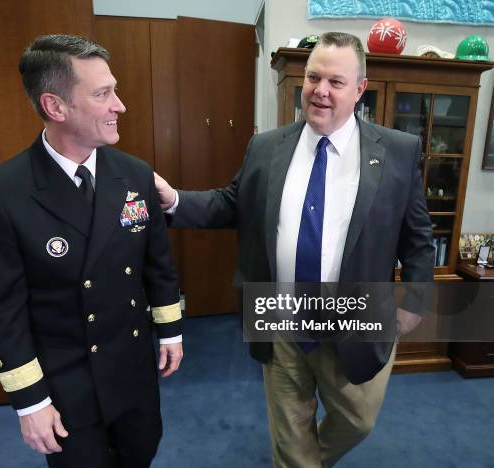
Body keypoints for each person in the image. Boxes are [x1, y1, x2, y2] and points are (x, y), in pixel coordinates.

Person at [155, 32, 434, 467]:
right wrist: (174, 199)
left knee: (358, 421)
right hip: (281, 315)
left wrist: (415, 299)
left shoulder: (397, 152)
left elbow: (417, 235)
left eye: (336, 82)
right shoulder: (267, 147)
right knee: (289, 432)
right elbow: (232, 203)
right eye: (313, 77)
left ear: (360, 89)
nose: (320, 90)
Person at [0, 34, 183, 468]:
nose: (119, 105)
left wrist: (170, 330)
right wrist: (29, 402)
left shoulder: (135, 174)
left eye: (114, 90)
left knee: (140, 453)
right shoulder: (1, 193)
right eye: (103, 94)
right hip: (66, 383)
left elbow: (157, 263)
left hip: (132, 367)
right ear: (55, 107)